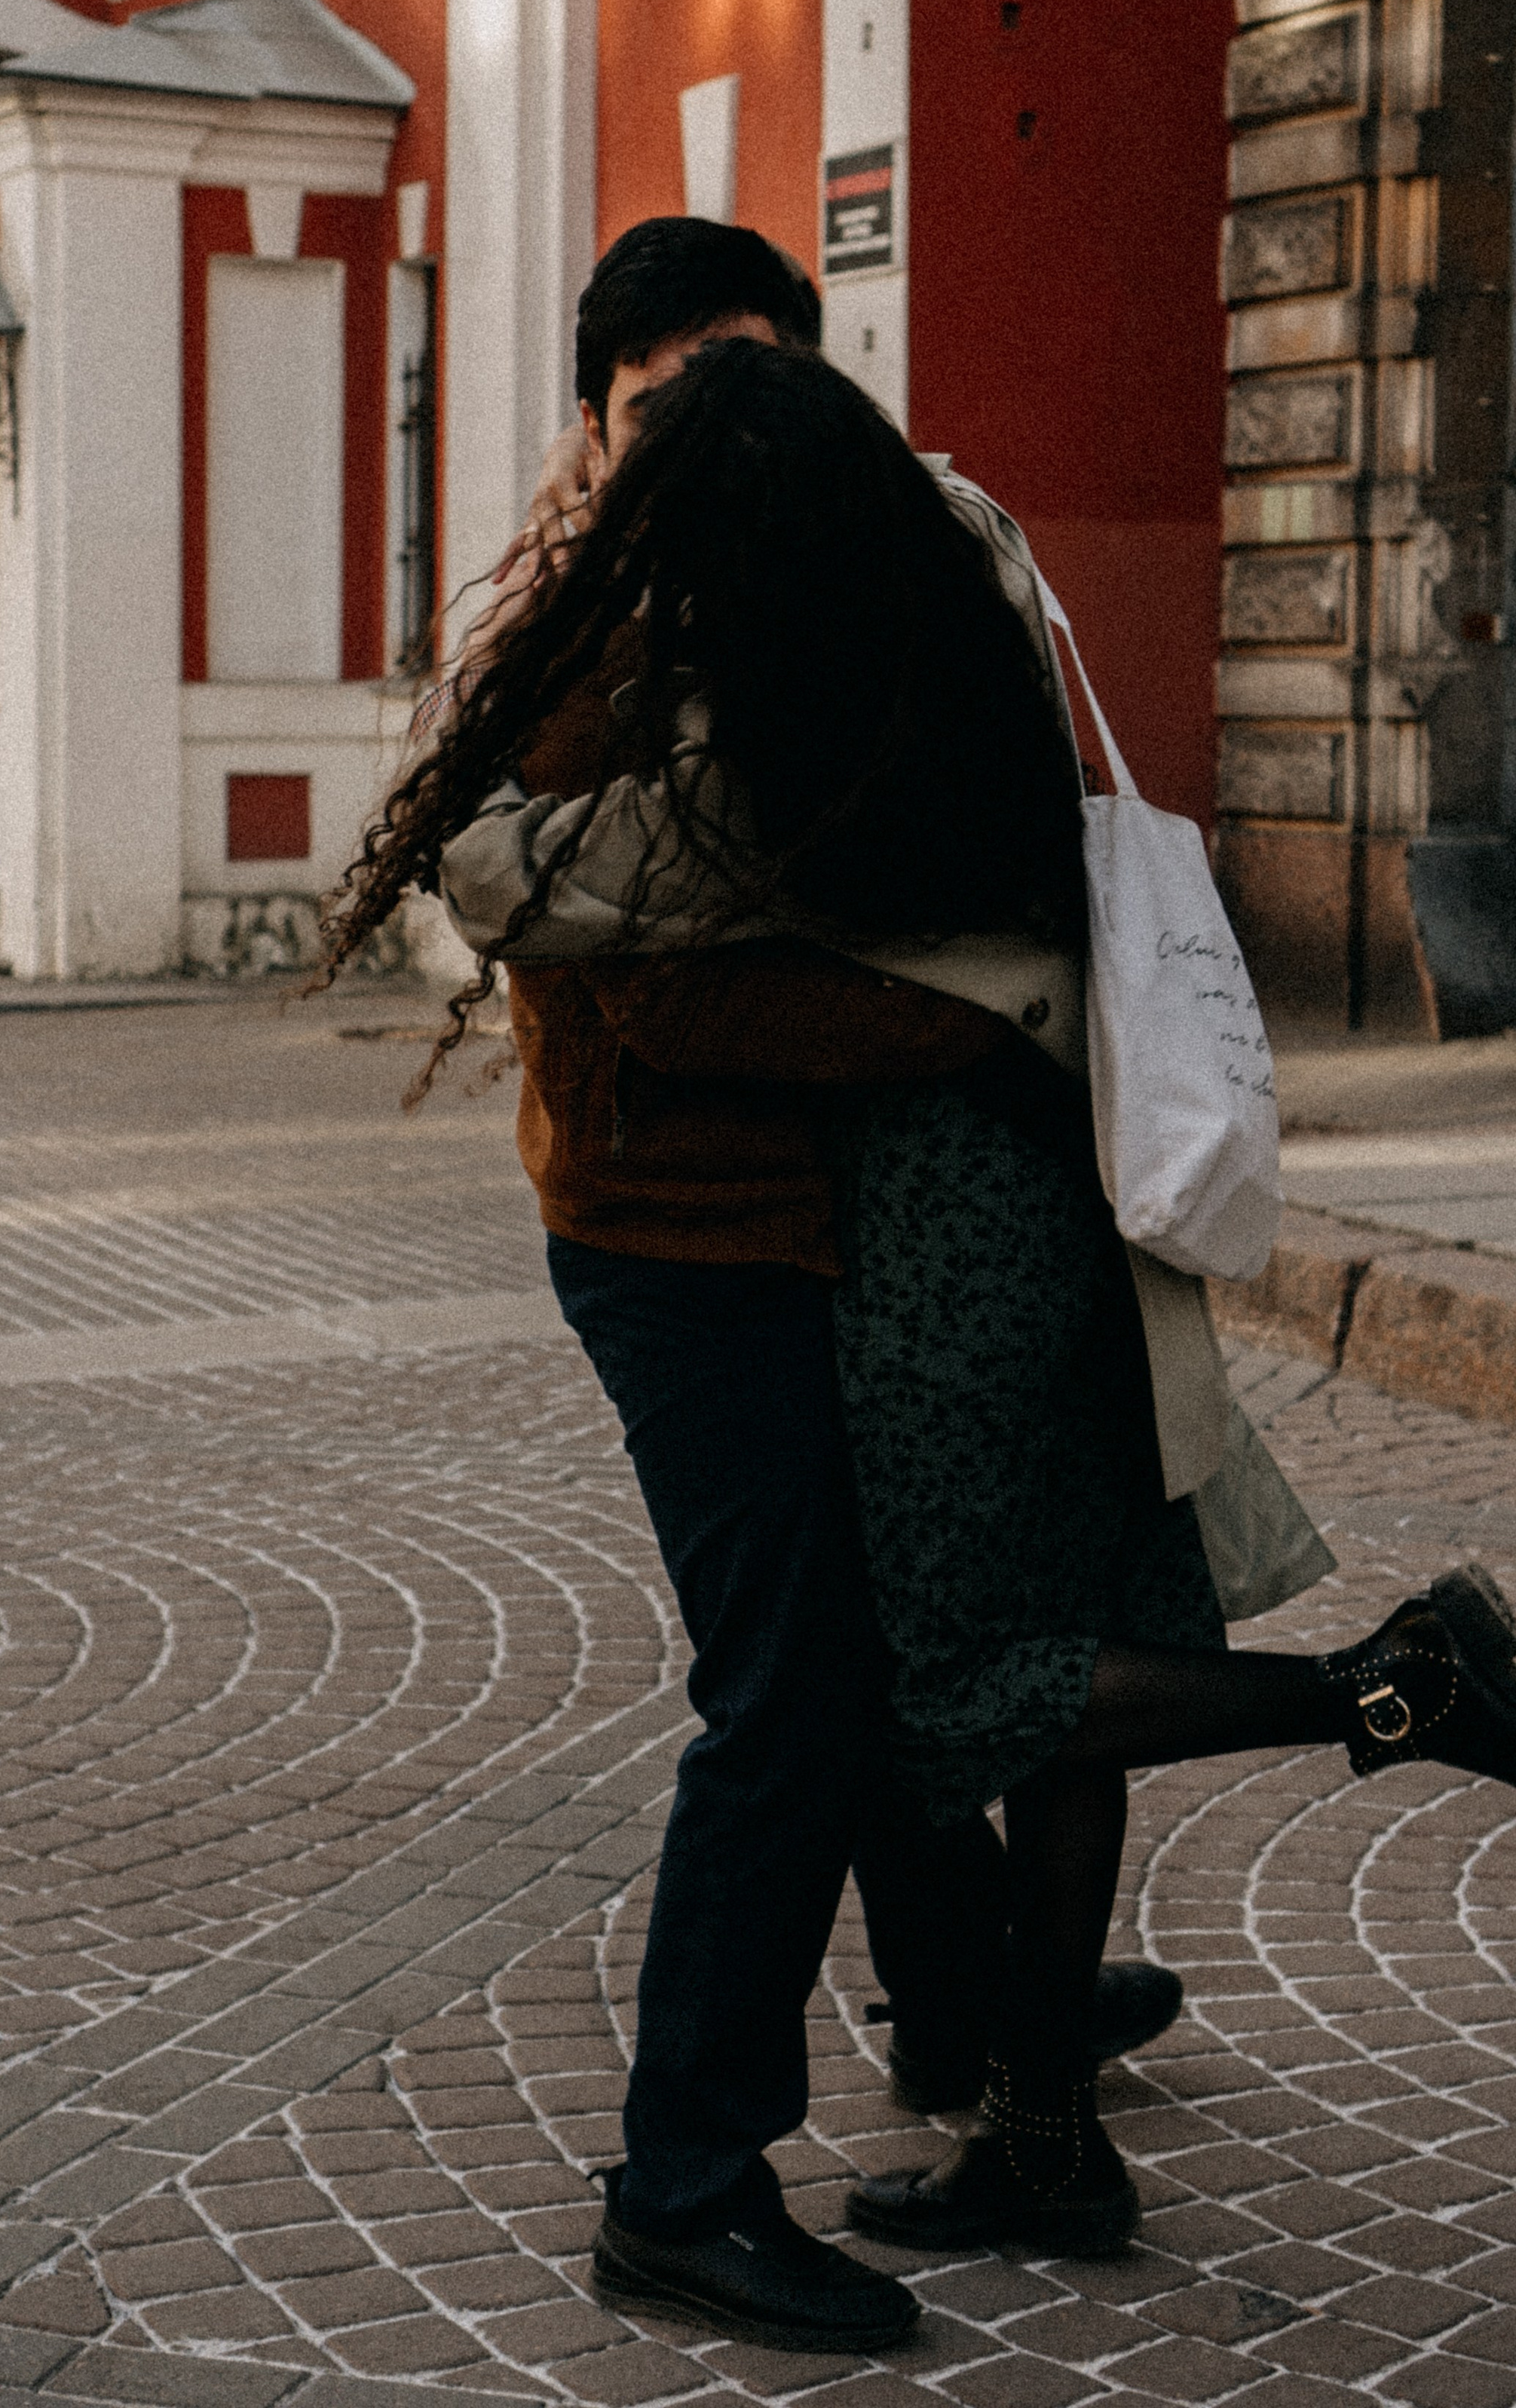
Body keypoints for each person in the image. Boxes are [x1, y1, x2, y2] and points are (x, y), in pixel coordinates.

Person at [332, 338, 1516, 2287]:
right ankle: (1045, 2143)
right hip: (1068, 1191)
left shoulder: (779, 743)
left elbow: (517, 878)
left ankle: (1397, 1685)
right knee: (1079, 1640)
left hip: (941, 1236)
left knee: (967, 1689)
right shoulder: (943, 622)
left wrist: (520, 730)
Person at [326, 222, 1180, 2354]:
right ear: (598, 414)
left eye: (752, 384)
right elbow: (670, 1008)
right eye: (665, 401)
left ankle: (972, 2007)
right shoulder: (590, 626)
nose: (710, 434)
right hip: (675, 1232)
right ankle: (687, 2181)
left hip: (807, 1223)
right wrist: (964, 1032)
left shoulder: (810, 579)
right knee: (788, 1694)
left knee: (859, 1643)